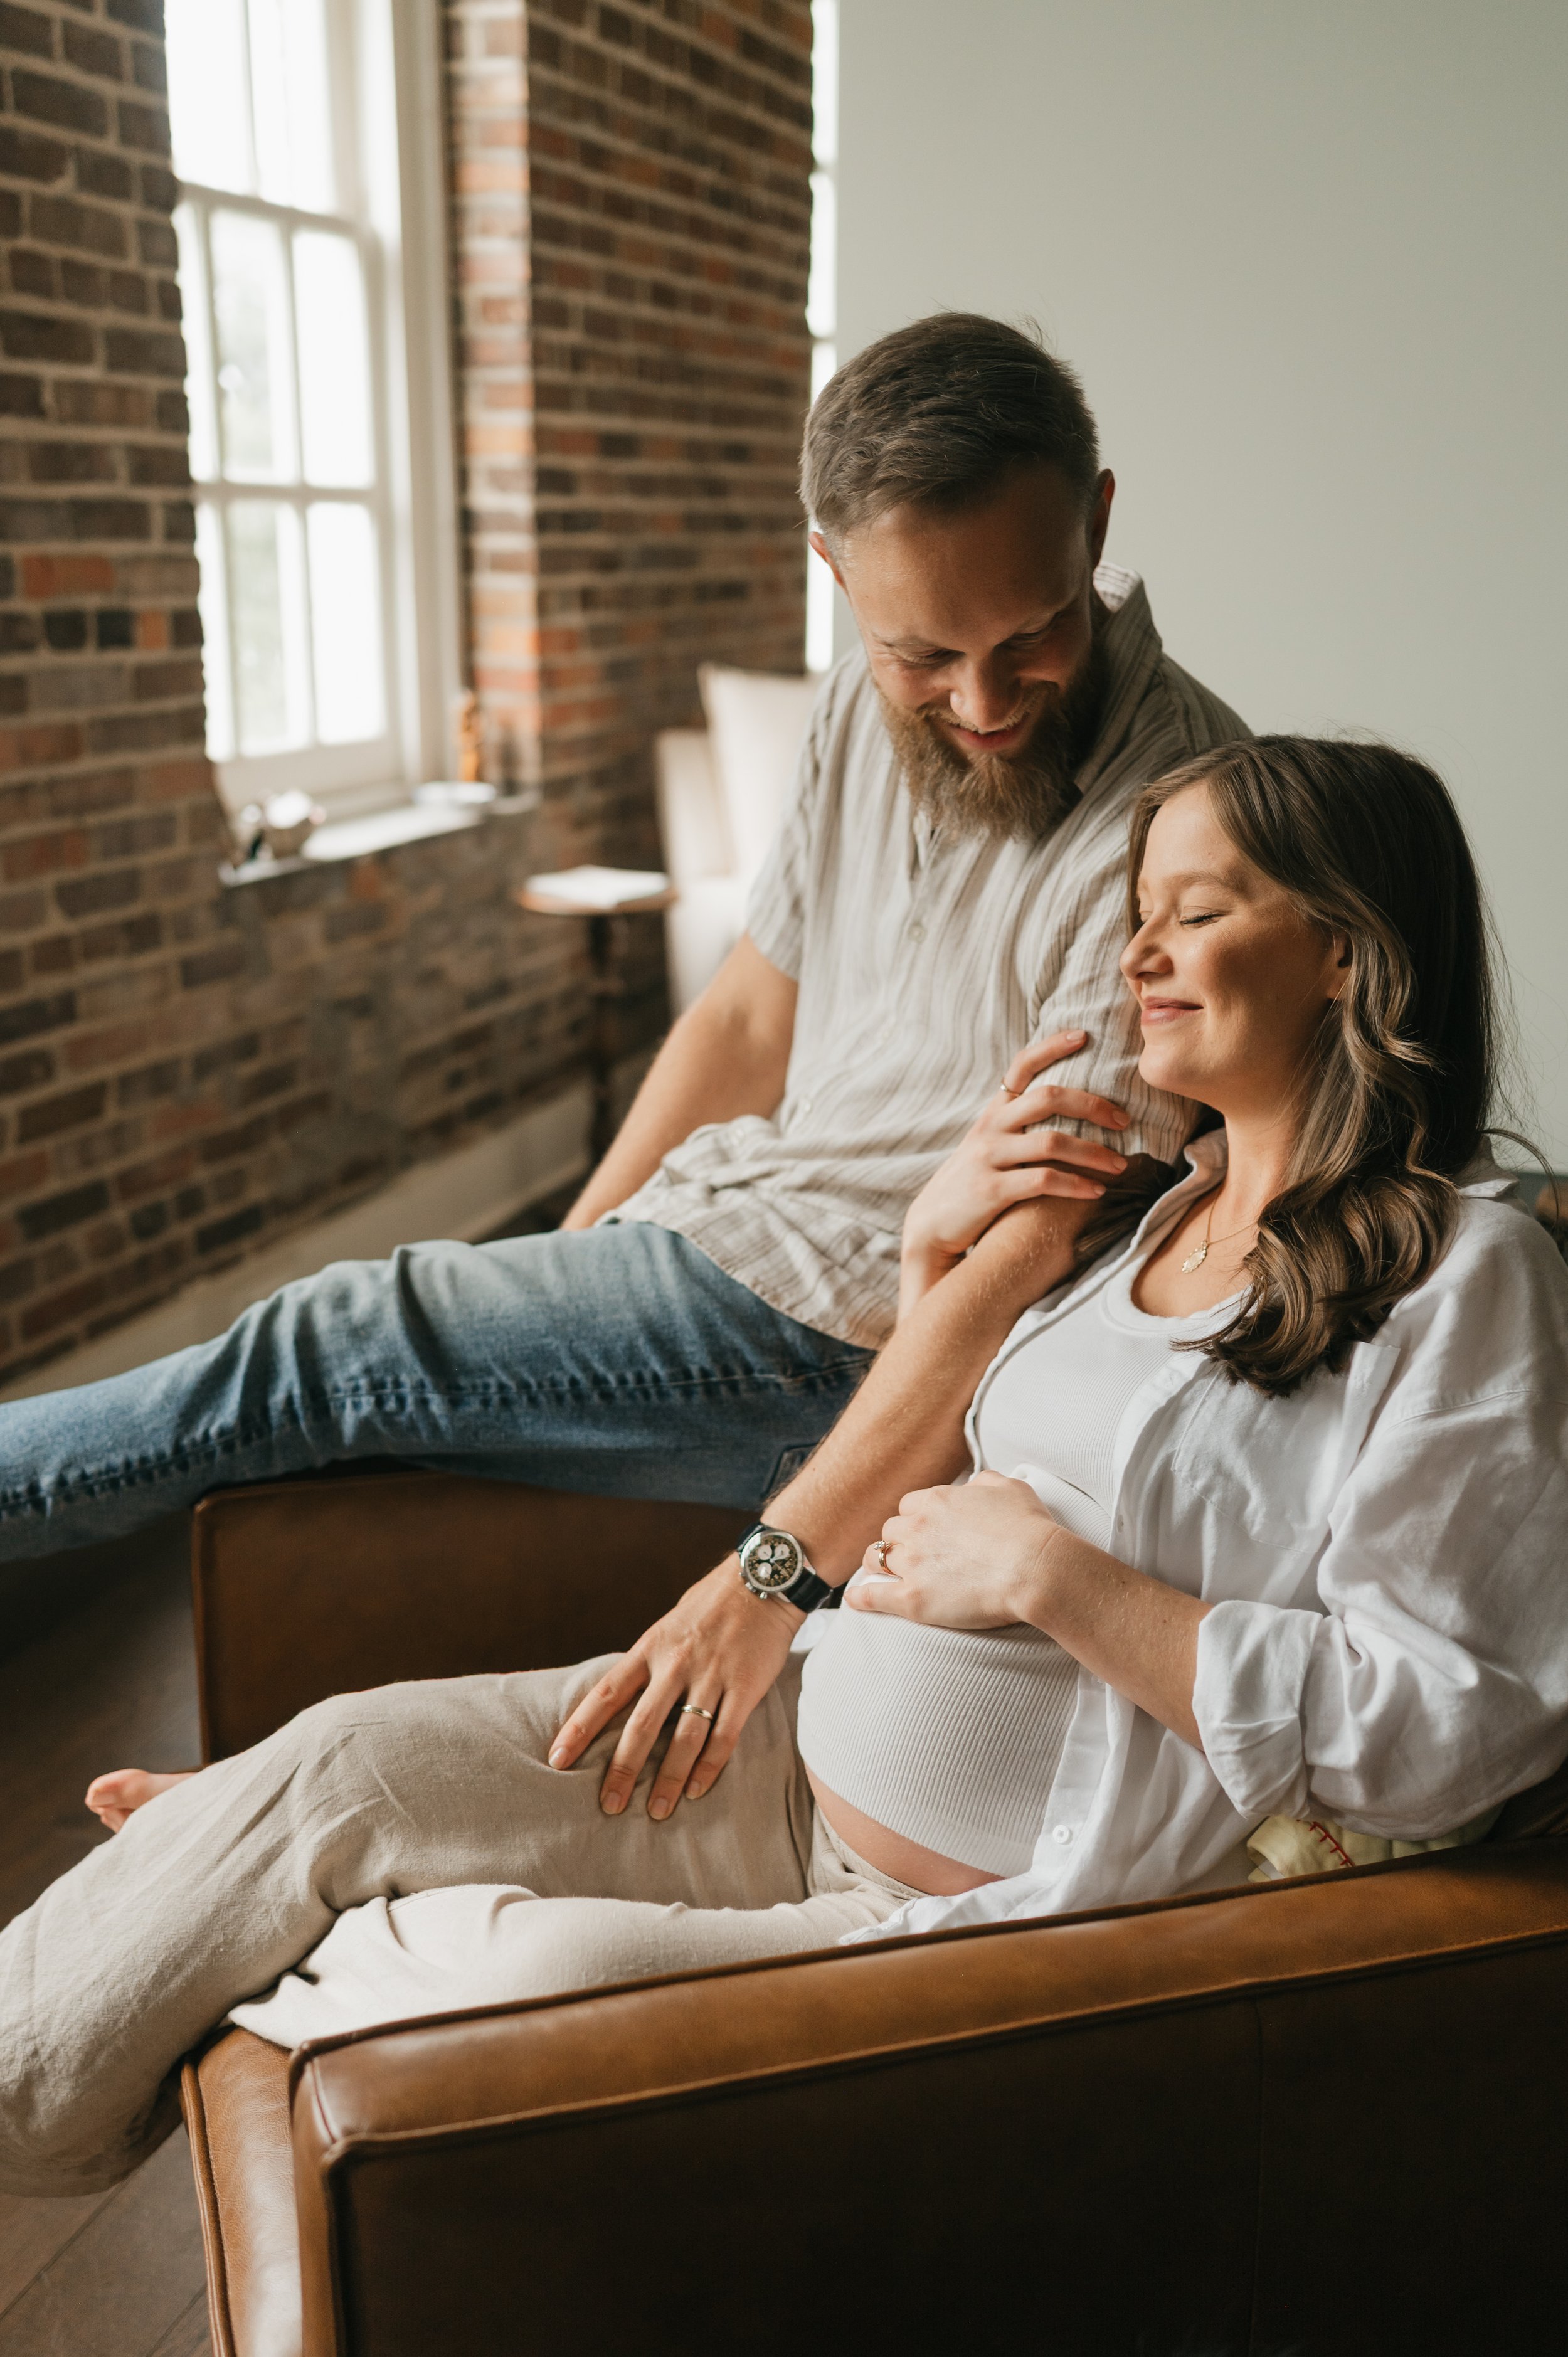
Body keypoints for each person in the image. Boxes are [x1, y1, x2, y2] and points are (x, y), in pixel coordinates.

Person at [8, 734, 1568, 2200]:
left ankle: (251, 1884)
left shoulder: (1465, 1277)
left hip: (933, 1912)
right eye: (1138, 914)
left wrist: (1057, 1580)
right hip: (767, 1758)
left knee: (498, 1979)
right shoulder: (1142, 1210)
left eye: (1195, 912)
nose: (1136, 957)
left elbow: (1454, 1727)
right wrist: (926, 1252)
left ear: (1348, 948)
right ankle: (194, 1921)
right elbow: (927, 1444)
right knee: (345, 1753)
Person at [0, 314, 1243, 1581]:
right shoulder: (850, 699)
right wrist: (577, 1249)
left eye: (1028, 635)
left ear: (1091, 522)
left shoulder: (1188, 812)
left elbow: (1038, 1248)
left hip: (842, 1333)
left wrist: (787, 1568)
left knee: (316, 1347)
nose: (979, 703)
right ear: (834, 571)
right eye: (922, 653)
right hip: (726, 1228)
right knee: (335, 1448)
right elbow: (748, 1017)